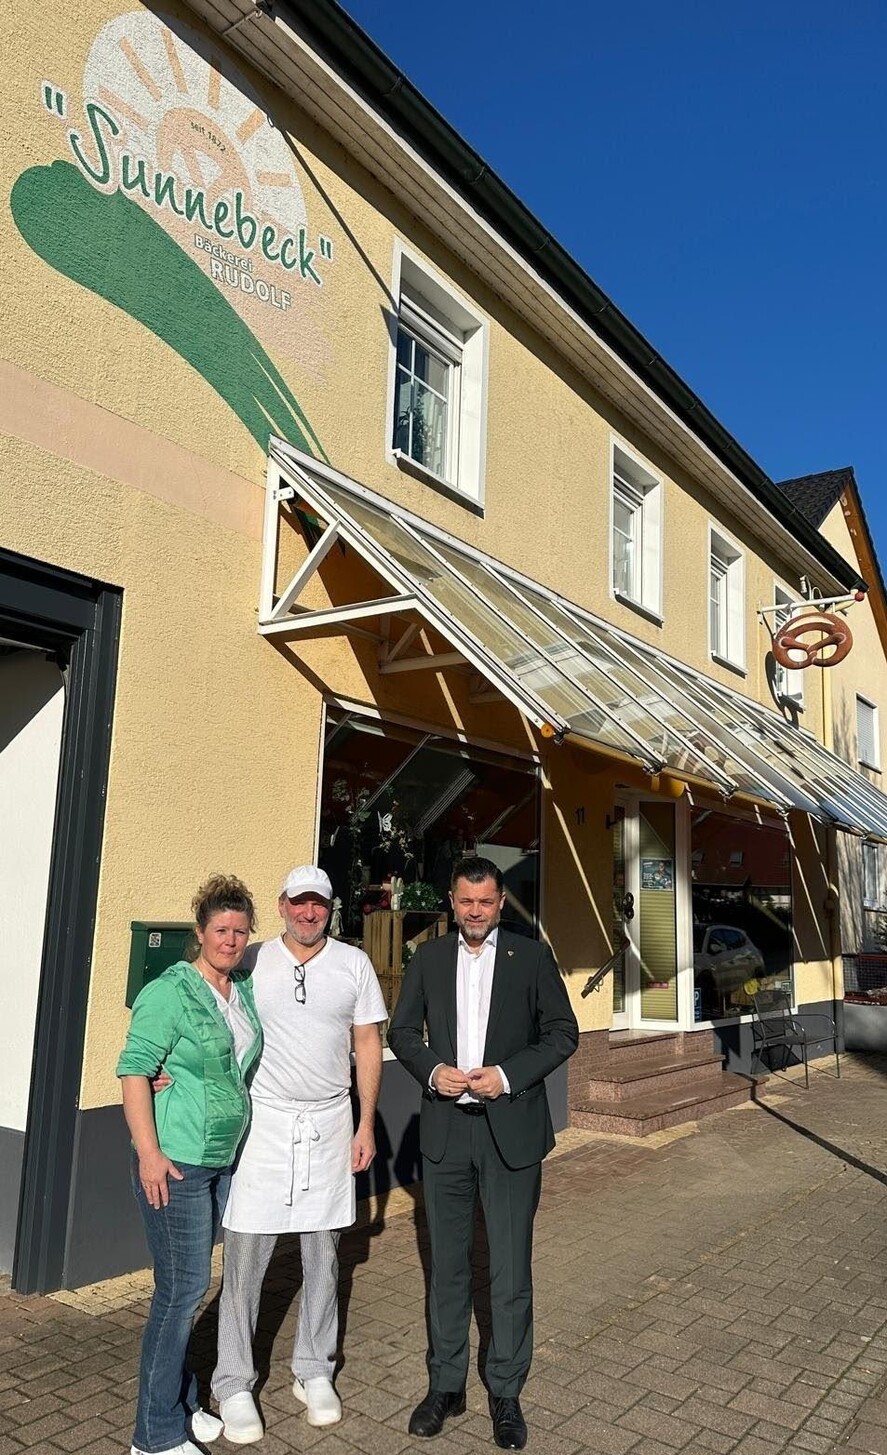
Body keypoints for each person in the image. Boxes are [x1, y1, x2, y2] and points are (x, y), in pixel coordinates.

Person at [388, 855, 579, 1451]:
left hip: (510, 1133)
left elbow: (563, 1033)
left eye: (487, 902)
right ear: (452, 900)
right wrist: (431, 1069)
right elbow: (401, 1032)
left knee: (509, 1269)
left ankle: (505, 1389)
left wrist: (507, 1075)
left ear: (501, 903)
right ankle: (446, 1384)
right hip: (446, 1131)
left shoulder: (531, 956)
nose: (476, 911)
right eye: (466, 901)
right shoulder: (429, 958)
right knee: (445, 1266)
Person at [211, 864, 386, 1445]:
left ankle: (314, 1370)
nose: (308, 912)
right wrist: (165, 1070)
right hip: (264, 1124)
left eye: (319, 903)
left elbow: (366, 1043)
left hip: (331, 1122)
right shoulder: (253, 958)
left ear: (330, 907)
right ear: (282, 904)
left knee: (323, 1256)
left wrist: (365, 1125)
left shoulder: (354, 964)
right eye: (298, 902)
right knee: (244, 1262)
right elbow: (205, 1006)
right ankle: (233, 1381)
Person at [117, 874, 263, 1455]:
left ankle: (181, 1401)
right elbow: (133, 1069)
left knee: (187, 1289)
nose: (230, 940)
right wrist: (149, 1155)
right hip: (175, 1162)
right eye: (220, 929)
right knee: (181, 1291)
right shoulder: (170, 991)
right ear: (199, 931)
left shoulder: (239, 989)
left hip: (220, 1162)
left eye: (240, 931)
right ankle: (152, 1437)